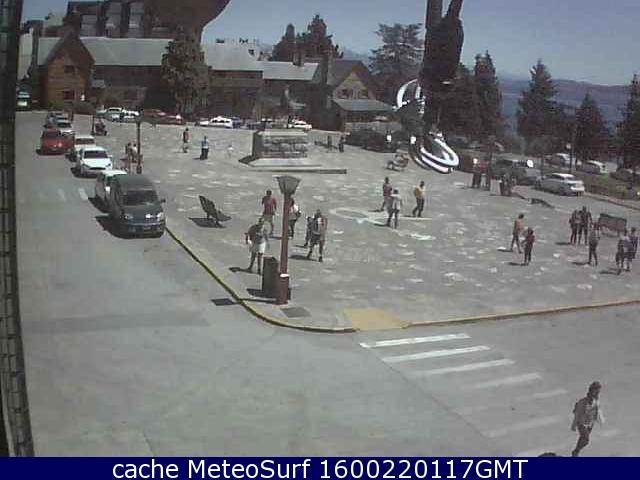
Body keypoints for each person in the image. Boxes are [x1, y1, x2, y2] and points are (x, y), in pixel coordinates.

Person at [571, 381, 604, 457]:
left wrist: (600, 420)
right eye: (596, 392)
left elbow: (598, 411)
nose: (597, 394)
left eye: (598, 392)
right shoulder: (583, 402)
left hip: (590, 424)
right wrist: (574, 425)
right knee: (586, 439)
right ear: (591, 391)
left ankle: (576, 452)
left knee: (583, 439)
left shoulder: (596, 402)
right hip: (582, 423)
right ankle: (576, 451)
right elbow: (577, 414)